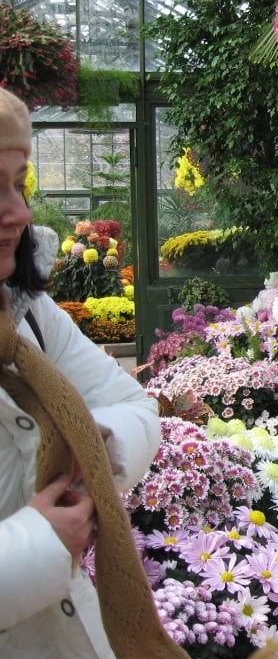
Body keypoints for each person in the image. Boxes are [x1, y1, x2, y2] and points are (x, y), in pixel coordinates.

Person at [0, 87, 162, 658]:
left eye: (18, 184)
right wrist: (35, 548)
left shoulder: (27, 315)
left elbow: (136, 407)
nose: (19, 212)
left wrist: (89, 448)